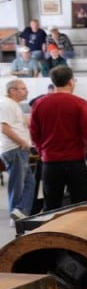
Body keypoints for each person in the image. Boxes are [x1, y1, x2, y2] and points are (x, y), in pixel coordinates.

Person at [28, 66, 87, 211]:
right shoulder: (80, 103)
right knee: (80, 205)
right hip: (75, 162)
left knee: (51, 206)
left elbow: (34, 134)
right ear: (71, 82)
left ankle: (53, 233)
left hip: (50, 162)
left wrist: (43, 151)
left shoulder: (39, 104)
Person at [1, 79, 35, 223]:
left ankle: (20, 212)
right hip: (14, 149)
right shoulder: (6, 104)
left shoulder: (14, 105)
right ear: (12, 91)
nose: (26, 91)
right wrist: (22, 142)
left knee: (30, 183)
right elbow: (4, 127)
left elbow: (23, 124)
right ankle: (16, 215)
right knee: (17, 184)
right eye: (22, 88)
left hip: (18, 149)